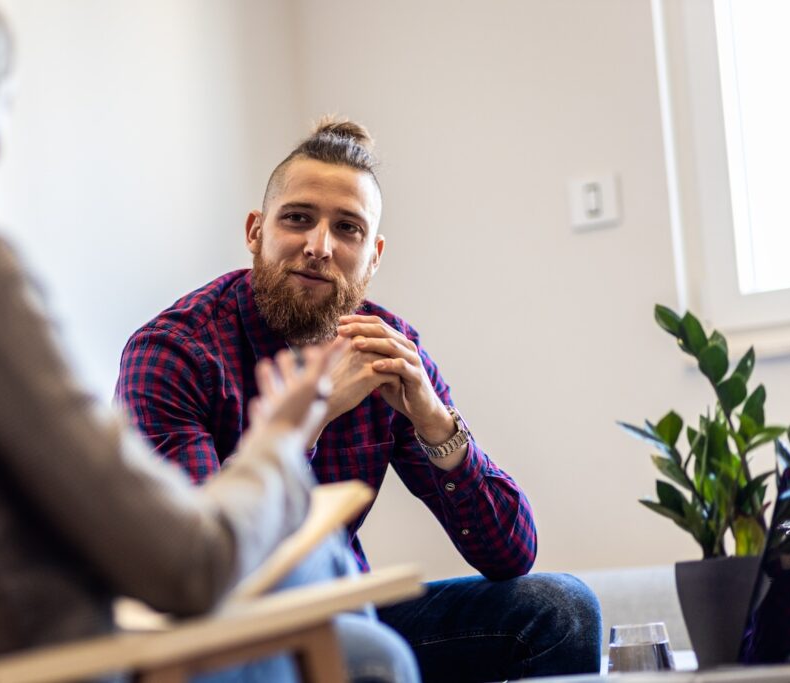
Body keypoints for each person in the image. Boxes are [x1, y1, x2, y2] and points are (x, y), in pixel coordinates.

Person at [0, 2, 419, 682]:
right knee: (371, 645)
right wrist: (285, 437)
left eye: (346, 229)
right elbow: (186, 563)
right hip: (75, 661)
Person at [116, 118, 603, 682]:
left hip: (349, 616)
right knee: (362, 650)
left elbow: (510, 554)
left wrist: (436, 423)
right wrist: (313, 417)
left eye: (347, 229)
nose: (319, 247)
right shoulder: (174, 351)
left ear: (373, 256)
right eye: (298, 218)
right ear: (256, 231)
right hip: (224, 635)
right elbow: (197, 566)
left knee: (559, 610)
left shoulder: (387, 349)